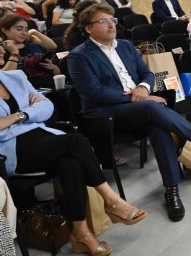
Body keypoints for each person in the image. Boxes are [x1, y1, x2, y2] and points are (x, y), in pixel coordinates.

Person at [67, 4, 191, 222]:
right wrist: (136, 97)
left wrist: (144, 88)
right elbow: (94, 92)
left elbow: (147, 73)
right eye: (103, 21)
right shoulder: (79, 56)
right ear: (88, 29)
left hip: (139, 107)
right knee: (152, 107)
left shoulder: (126, 46)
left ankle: (172, 190)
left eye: (113, 20)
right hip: (105, 114)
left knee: (158, 126)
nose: (111, 25)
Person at [0, 69, 147, 256]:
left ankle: (81, 231)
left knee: (71, 163)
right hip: (10, 152)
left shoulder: (15, 77)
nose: (2, 49)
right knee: (76, 141)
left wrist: (17, 116)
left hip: (42, 139)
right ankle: (111, 201)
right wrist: (31, 111)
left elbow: (47, 107)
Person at [0, 14, 59, 89]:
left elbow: (58, 73)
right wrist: (14, 52)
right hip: (26, 93)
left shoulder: (35, 46)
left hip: (52, 88)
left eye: (26, 29)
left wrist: (53, 68)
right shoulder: (2, 52)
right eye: (19, 29)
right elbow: (4, 80)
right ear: (4, 30)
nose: (24, 33)